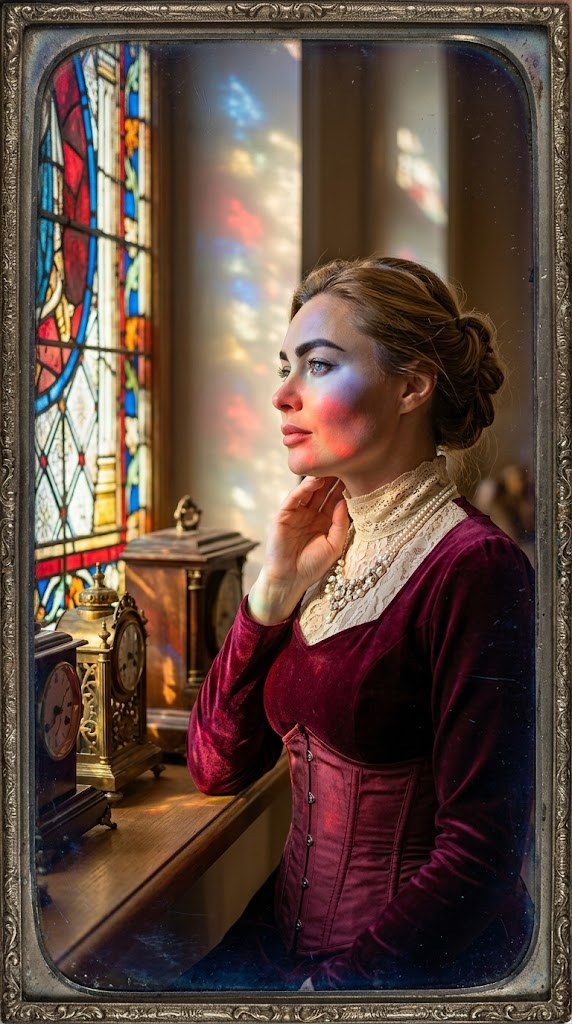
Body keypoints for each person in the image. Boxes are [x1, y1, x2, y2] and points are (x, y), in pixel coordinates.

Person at [176, 256, 535, 992]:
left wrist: (335, 992)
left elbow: (484, 851)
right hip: (282, 940)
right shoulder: (319, 548)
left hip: (403, 970)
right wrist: (272, 590)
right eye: (287, 366)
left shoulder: (477, 567)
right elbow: (214, 767)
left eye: (319, 366)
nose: (282, 396)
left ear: (411, 386)